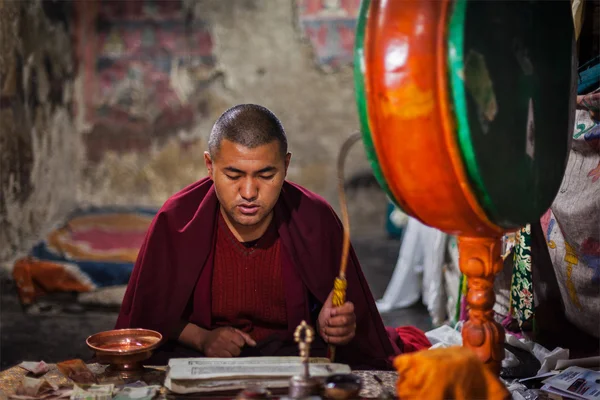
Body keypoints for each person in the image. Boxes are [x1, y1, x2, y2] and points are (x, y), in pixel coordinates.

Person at [115, 104, 405, 370]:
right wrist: (202, 339)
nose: (250, 192)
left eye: (266, 175)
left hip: (296, 361)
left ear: (286, 166)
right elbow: (148, 318)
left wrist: (332, 324)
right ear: (209, 166)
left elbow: (346, 321)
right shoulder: (178, 220)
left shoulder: (313, 217)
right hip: (201, 361)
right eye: (234, 175)